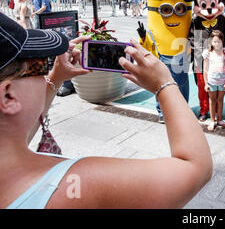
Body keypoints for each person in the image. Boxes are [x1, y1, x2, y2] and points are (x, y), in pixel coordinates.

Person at [0, 12, 213, 208]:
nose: (45, 72)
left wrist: (55, 77)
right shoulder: (79, 183)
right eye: (39, 66)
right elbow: (196, 168)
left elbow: (11, 138)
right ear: (8, 95)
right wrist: (164, 84)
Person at [203, 30, 225, 131]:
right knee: (212, 100)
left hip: (222, 81)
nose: (216, 44)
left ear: (222, 41)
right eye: (214, 41)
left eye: (218, 41)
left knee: (220, 100)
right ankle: (212, 120)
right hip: (212, 81)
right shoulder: (207, 53)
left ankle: (220, 120)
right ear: (211, 42)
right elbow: (205, 70)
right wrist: (206, 83)